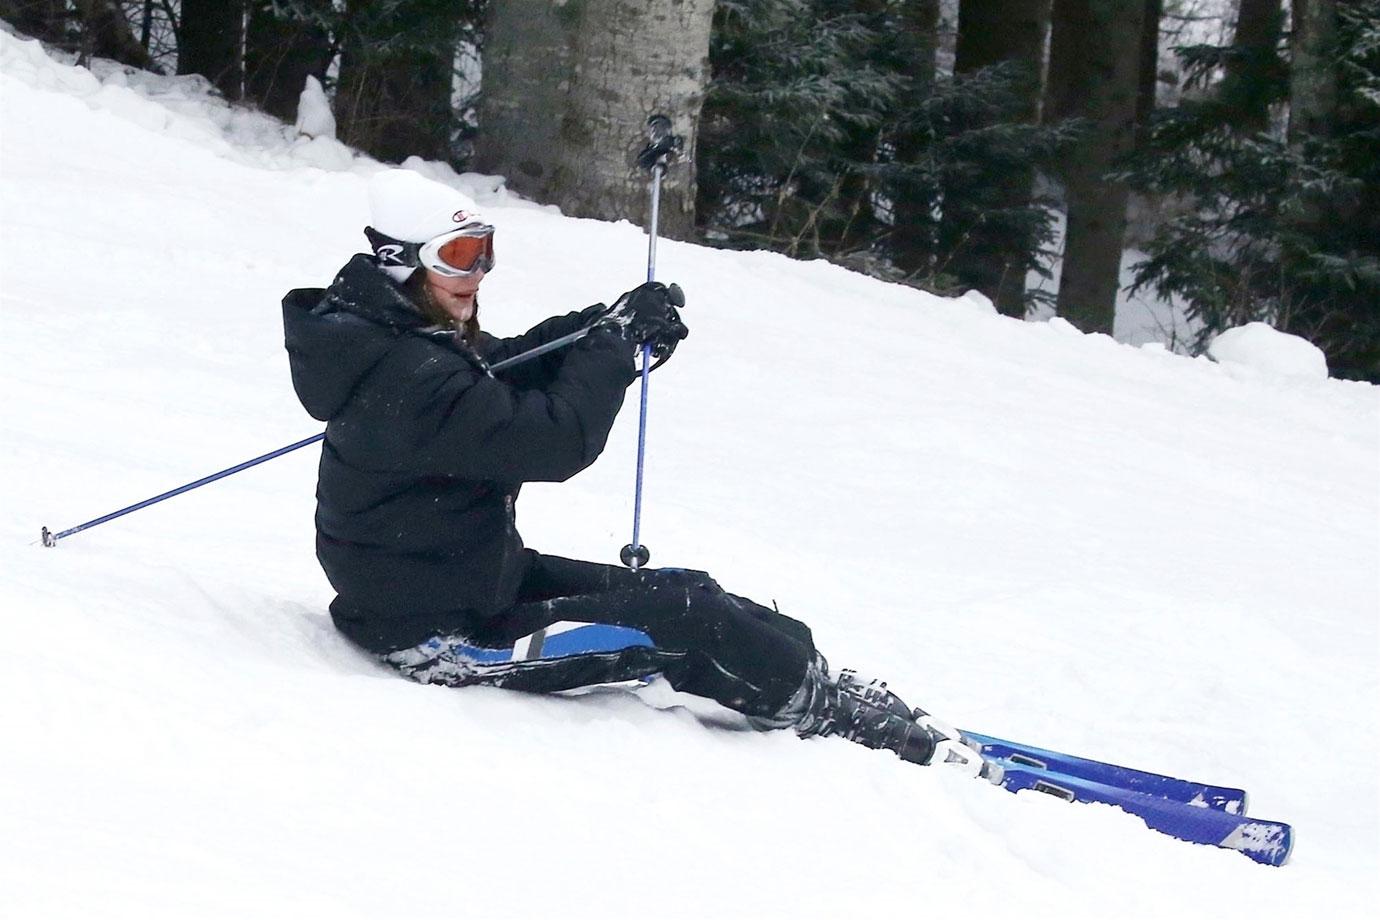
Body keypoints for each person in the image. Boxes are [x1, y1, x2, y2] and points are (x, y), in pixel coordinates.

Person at [281, 169, 946, 767]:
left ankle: (807, 678)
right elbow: (553, 440)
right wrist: (611, 348)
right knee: (682, 619)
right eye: (457, 256)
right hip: (438, 634)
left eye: (483, 250)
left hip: (466, 580)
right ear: (401, 263)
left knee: (694, 590)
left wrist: (605, 324)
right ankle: (823, 711)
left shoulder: (397, 335)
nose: (477, 271)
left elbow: (502, 369)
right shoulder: (411, 372)